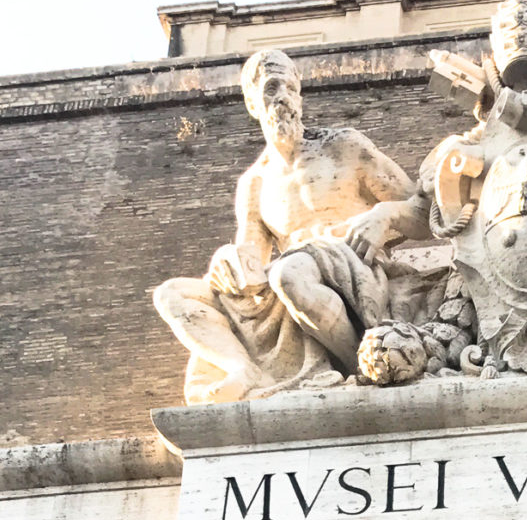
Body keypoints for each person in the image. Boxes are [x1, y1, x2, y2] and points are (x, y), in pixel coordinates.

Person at [153, 48, 422, 400]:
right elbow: (251, 257)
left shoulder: (344, 147)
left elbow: (425, 212)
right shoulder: (255, 182)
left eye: (288, 87)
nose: (281, 97)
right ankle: (243, 369)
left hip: (350, 267)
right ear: (252, 103)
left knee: (288, 275)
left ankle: (357, 364)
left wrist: (384, 216)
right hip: (286, 279)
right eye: (270, 88)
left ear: (299, 95)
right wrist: (227, 262)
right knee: (172, 295)